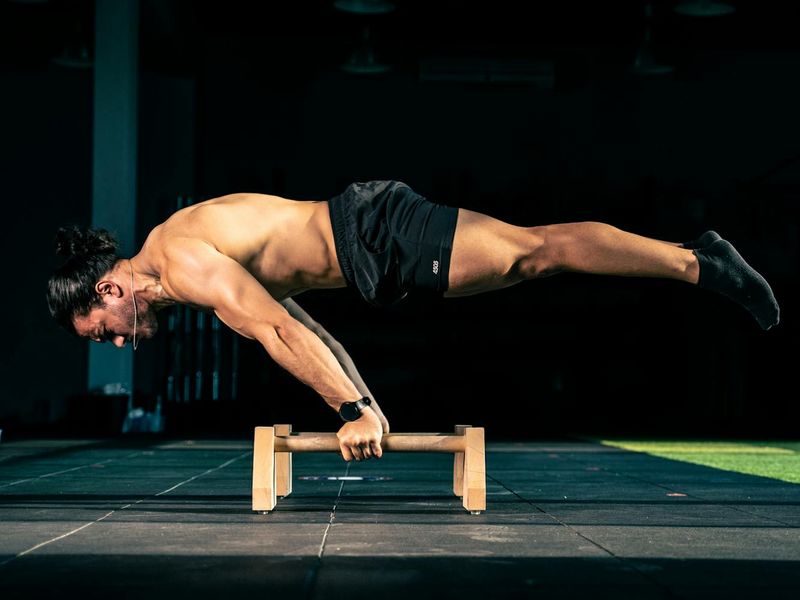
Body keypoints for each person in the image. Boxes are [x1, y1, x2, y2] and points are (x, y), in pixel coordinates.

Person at [47, 180, 780, 460]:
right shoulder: (181, 261)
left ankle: (699, 262)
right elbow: (313, 330)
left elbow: (276, 332)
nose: (117, 343)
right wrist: (372, 410)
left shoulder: (181, 263)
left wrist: (353, 409)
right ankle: (696, 261)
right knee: (535, 253)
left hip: (375, 234)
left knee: (535, 252)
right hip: (371, 245)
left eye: (104, 329)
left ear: (111, 288)